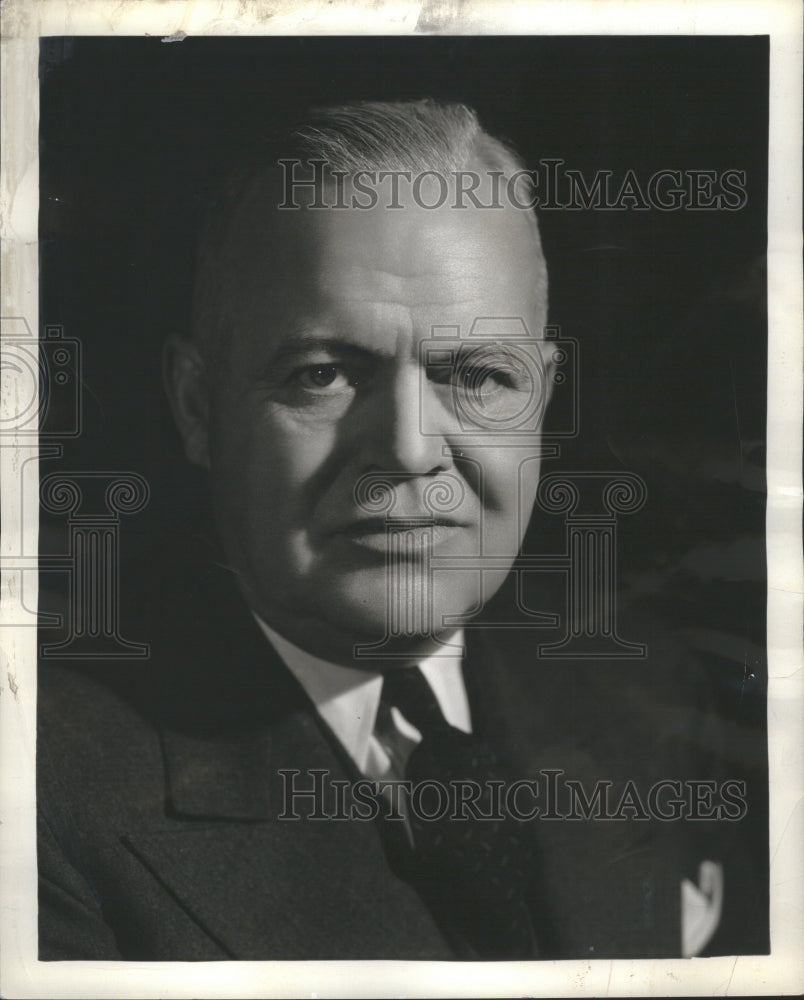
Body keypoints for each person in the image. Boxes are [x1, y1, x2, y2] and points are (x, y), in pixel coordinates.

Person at [37, 100, 759, 961]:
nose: (411, 451)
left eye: (480, 375)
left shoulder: (642, 694)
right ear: (198, 404)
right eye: (325, 374)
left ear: (544, 402)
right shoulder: (43, 796)